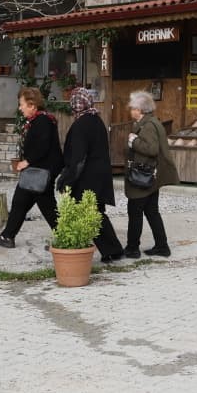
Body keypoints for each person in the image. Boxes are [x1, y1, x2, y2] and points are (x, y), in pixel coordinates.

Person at [0, 87, 63, 249]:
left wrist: (26, 162)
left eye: (22, 104)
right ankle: (7, 236)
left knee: (46, 207)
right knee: (20, 203)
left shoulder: (42, 121)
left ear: (32, 105)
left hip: (39, 172)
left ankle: (66, 239)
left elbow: (42, 146)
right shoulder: (40, 120)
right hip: (38, 172)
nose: (20, 107)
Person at [57, 87, 125, 263]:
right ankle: (111, 249)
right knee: (95, 212)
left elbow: (79, 158)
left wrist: (67, 180)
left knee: (89, 212)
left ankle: (106, 249)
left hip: (87, 177)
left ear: (75, 105)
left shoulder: (81, 125)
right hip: (100, 175)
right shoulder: (96, 120)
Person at [123, 90, 179, 258]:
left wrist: (134, 141)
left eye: (134, 108)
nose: (131, 110)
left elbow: (152, 149)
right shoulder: (152, 122)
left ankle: (132, 249)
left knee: (135, 211)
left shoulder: (147, 126)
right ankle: (162, 246)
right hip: (150, 177)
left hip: (143, 177)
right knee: (152, 211)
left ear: (142, 109)